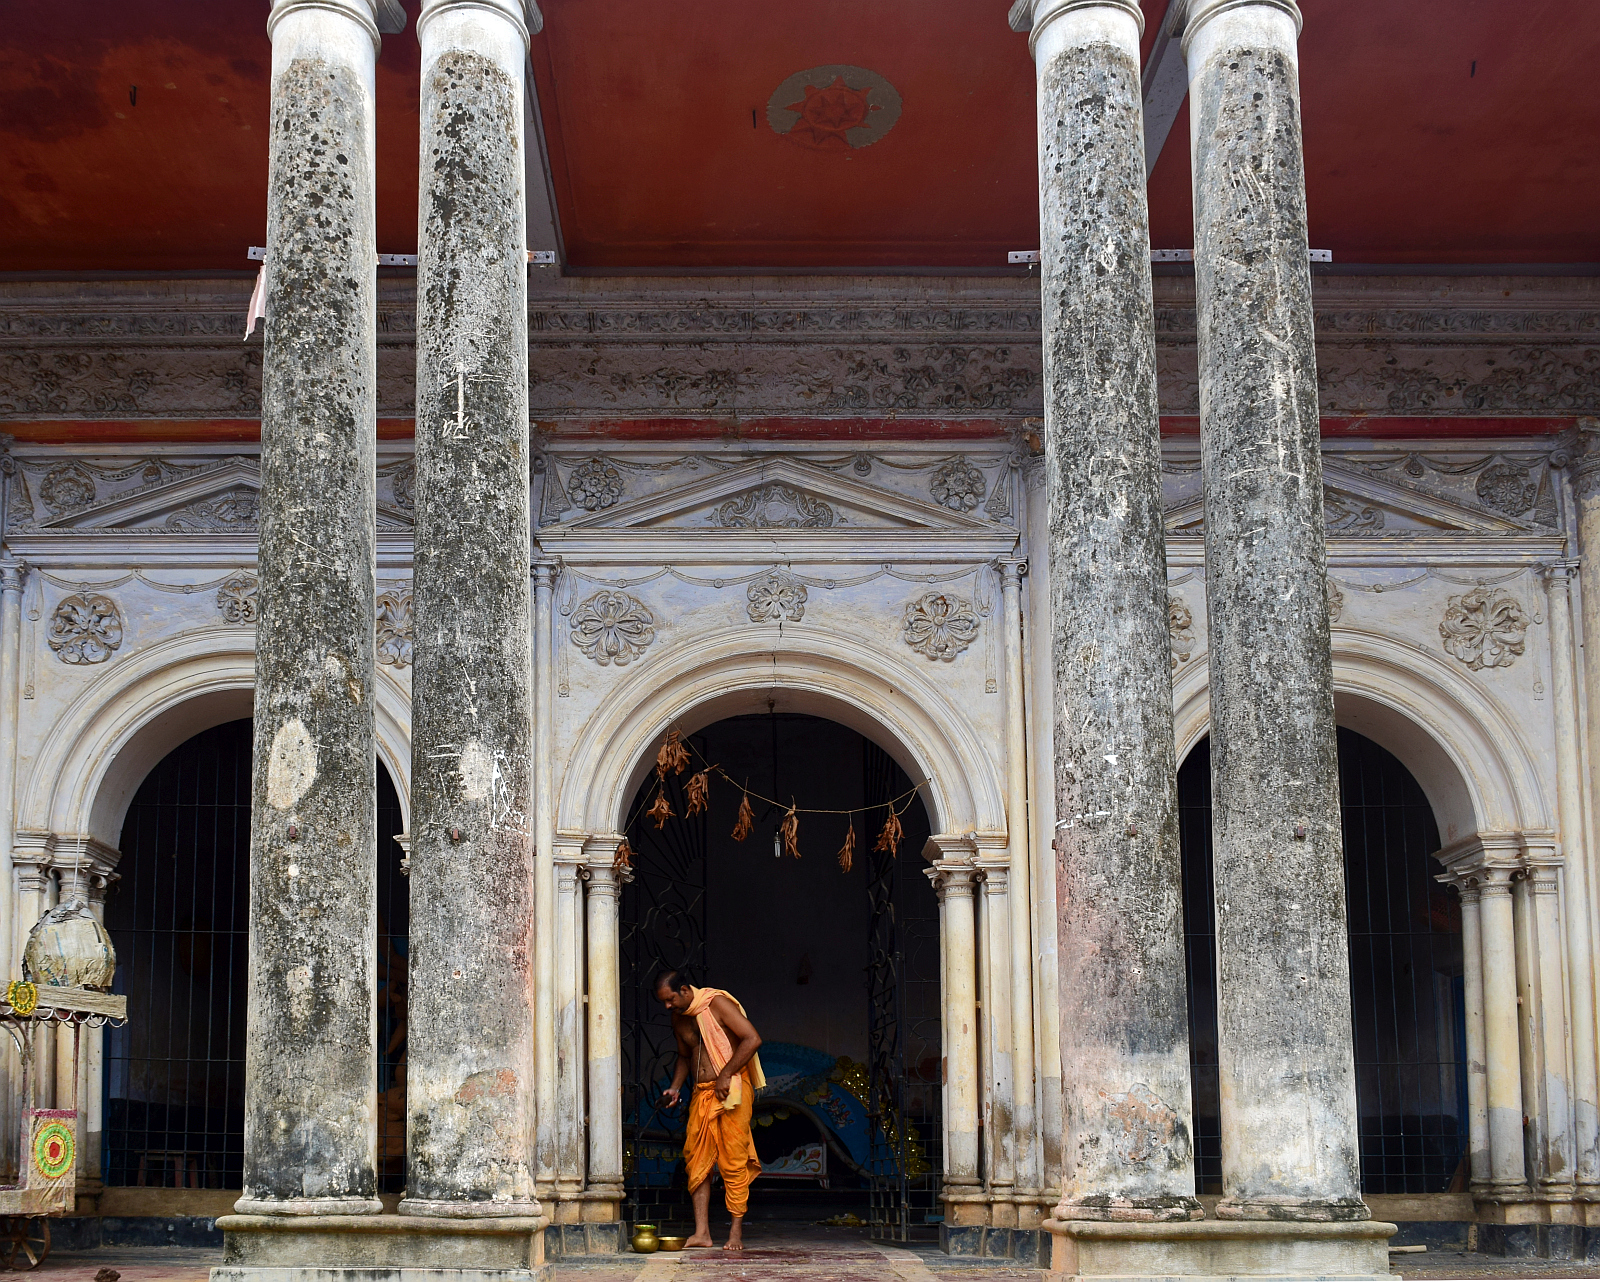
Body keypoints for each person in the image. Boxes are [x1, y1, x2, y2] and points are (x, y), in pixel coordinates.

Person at [656, 967, 765, 1251]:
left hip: (731, 1091)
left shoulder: (717, 1003)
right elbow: (684, 1055)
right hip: (701, 1093)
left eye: (670, 1000)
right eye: (664, 1003)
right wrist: (676, 1087)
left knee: (733, 1160)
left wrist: (726, 1074)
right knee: (697, 1160)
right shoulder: (678, 1019)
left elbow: (752, 1039)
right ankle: (702, 1232)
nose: (668, 1006)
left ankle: (735, 1233)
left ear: (684, 990)